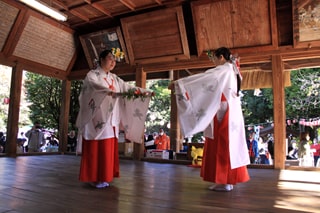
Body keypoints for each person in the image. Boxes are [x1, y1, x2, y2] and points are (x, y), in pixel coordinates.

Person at [169, 47, 250, 192]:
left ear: (221, 57)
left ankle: (224, 181)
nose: (212, 61)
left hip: (223, 112)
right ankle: (226, 181)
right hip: (230, 112)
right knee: (226, 145)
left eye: (213, 58)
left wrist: (179, 84)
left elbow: (204, 78)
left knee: (222, 145)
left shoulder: (224, 69)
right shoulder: (233, 69)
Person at [76, 49, 153, 189]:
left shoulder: (115, 78)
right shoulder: (92, 75)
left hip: (111, 118)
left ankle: (105, 176)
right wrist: (106, 91)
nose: (113, 62)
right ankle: (95, 177)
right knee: (96, 148)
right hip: (97, 117)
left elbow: (127, 88)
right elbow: (92, 87)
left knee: (108, 148)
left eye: (115, 60)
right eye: (110, 58)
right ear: (101, 59)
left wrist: (144, 92)